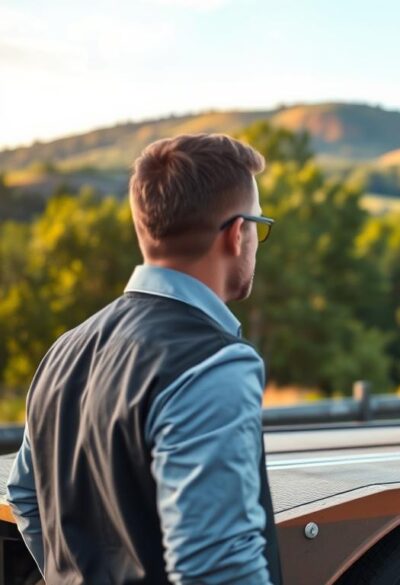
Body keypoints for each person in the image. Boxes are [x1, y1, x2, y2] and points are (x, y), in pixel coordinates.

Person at [6, 134, 282, 584]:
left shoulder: (64, 351)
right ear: (236, 234)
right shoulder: (213, 364)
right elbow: (217, 568)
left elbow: (25, 495)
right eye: (258, 224)